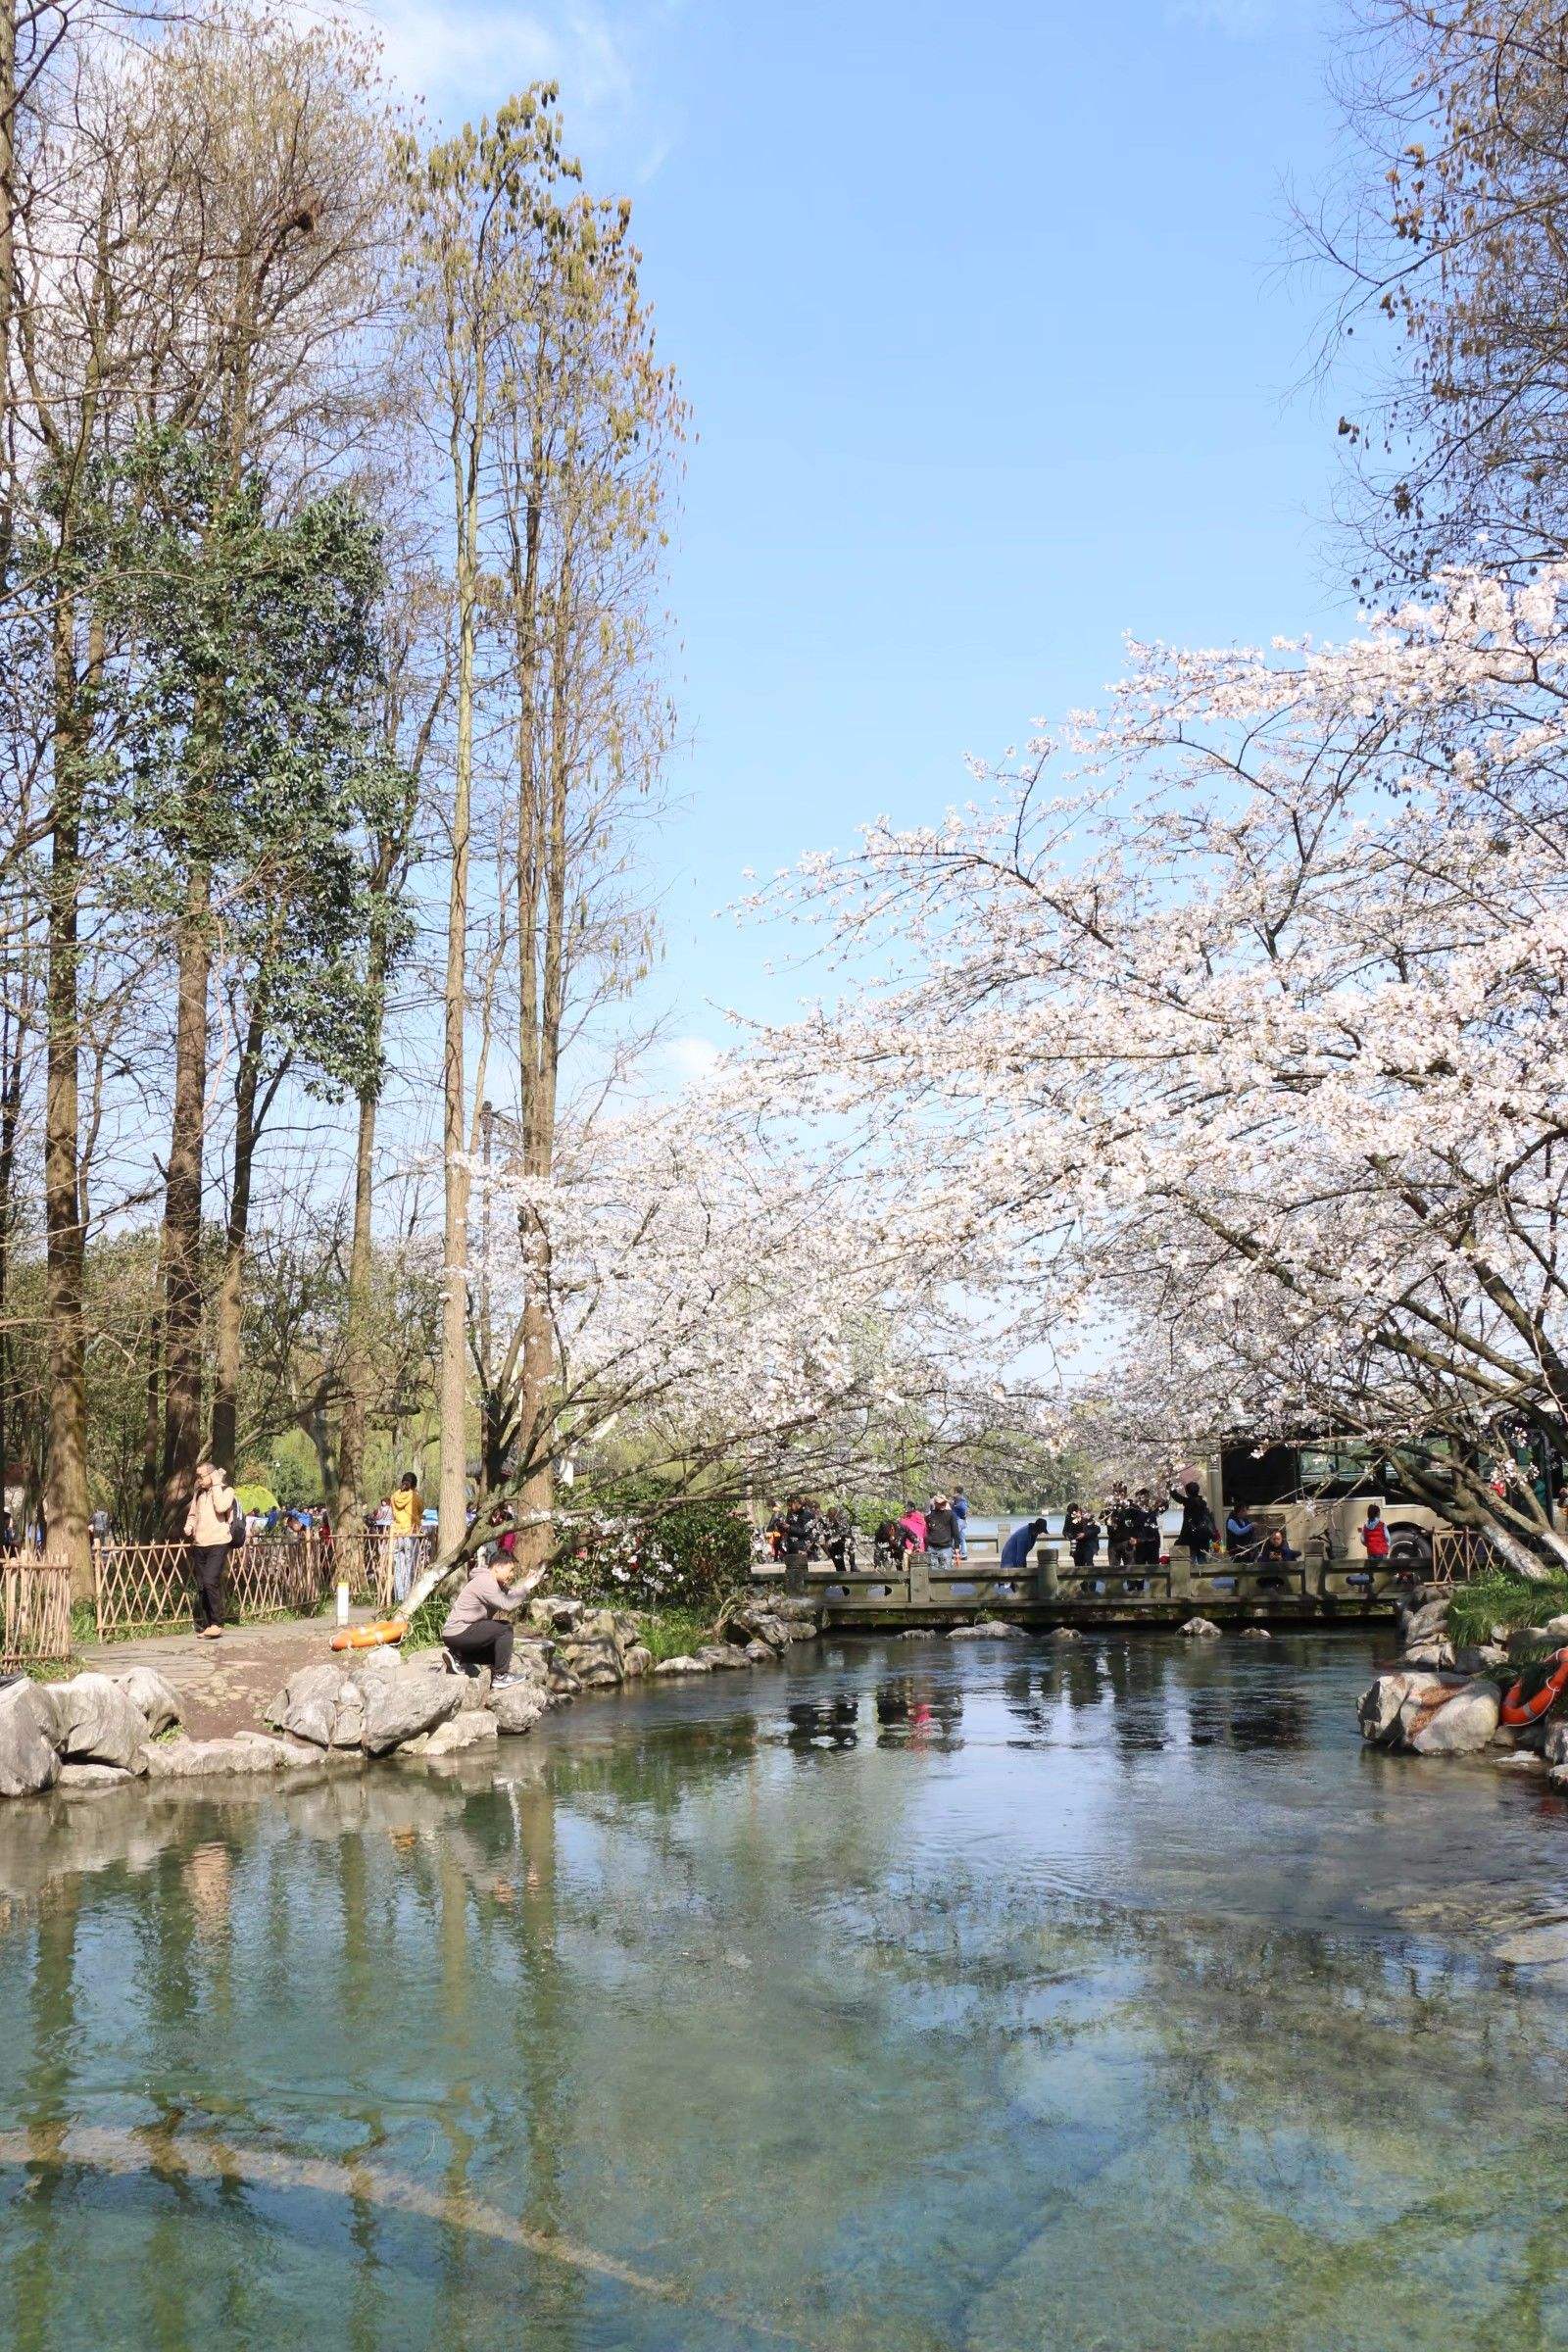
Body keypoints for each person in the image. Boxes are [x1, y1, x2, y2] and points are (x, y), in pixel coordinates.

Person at [441, 1556, 527, 1685]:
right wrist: (527, 1588)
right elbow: (507, 1605)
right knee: (505, 1628)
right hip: (458, 1631)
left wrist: (528, 1583)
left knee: (498, 1655)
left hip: (460, 1634)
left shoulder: (494, 1582)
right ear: (498, 1567)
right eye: (511, 1570)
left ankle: (458, 1655)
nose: (512, 1574)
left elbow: (512, 1595)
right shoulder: (485, 1581)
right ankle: (500, 1677)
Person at [183, 1461, 238, 1640]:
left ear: (212, 1475)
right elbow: (192, 1514)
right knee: (201, 1586)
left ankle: (216, 1623)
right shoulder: (198, 1493)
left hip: (218, 1542)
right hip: (200, 1544)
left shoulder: (226, 1491)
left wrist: (216, 1484)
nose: (198, 1479)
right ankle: (207, 1625)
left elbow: (221, 1507)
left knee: (210, 1580)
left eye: (201, 1476)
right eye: (197, 1476)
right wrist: (189, 1526)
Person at [387, 1470, 423, 1603]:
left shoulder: (393, 1497)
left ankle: (399, 1598)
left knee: (398, 1568)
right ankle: (409, 1599)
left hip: (397, 1534)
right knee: (410, 1567)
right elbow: (421, 1510)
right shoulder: (415, 1497)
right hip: (410, 1533)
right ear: (414, 1484)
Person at [1171, 1479, 1217, 1565]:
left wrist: (1170, 1486)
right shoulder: (1203, 1503)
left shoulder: (1188, 1502)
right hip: (1203, 1536)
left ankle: (1191, 1577)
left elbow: (1177, 1497)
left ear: (1187, 1493)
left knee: (1190, 1561)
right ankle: (1203, 1577)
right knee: (1202, 1560)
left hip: (1191, 1537)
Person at [781, 1495, 818, 1597]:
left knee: (800, 1572)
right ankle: (792, 1593)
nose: (789, 1508)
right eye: (788, 1506)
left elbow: (805, 1532)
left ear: (797, 1503)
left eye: (790, 1505)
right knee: (790, 1571)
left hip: (801, 1546)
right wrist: (782, 1526)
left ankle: (801, 1594)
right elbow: (789, 1528)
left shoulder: (807, 1515)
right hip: (791, 1546)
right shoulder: (790, 1514)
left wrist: (790, 1527)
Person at [1062, 1502, 1100, 1576]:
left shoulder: (1087, 1517)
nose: (1071, 1514)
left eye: (1073, 1512)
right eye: (1069, 1513)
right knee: (1078, 1566)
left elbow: (1097, 1529)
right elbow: (1065, 1530)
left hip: (1089, 1544)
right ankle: (1082, 1585)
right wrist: (1067, 1535)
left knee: (1089, 1565)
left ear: (1078, 1510)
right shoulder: (1068, 1517)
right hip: (1076, 1544)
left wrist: (1085, 1534)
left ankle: (1091, 1584)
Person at [925, 1494, 959, 1572]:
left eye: (944, 1503)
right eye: (940, 1503)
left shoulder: (951, 1515)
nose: (942, 1505)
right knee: (933, 1574)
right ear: (935, 1504)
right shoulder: (929, 1516)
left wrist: (957, 1547)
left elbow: (956, 1532)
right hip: (932, 1548)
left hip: (946, 1548)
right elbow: (925, 1530)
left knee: (946, 1574)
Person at [952, 1488, 970, 1559]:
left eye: (954, 1491)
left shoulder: (960, 1500)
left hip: (959, 1520)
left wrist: (963, 1515)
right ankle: (964, 1554)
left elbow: (963, 1509)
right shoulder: (960, 1499)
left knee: (955, 1537)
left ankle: (955, 1553)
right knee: (962, 1538)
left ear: (957, 1492)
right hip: (961, 1520)